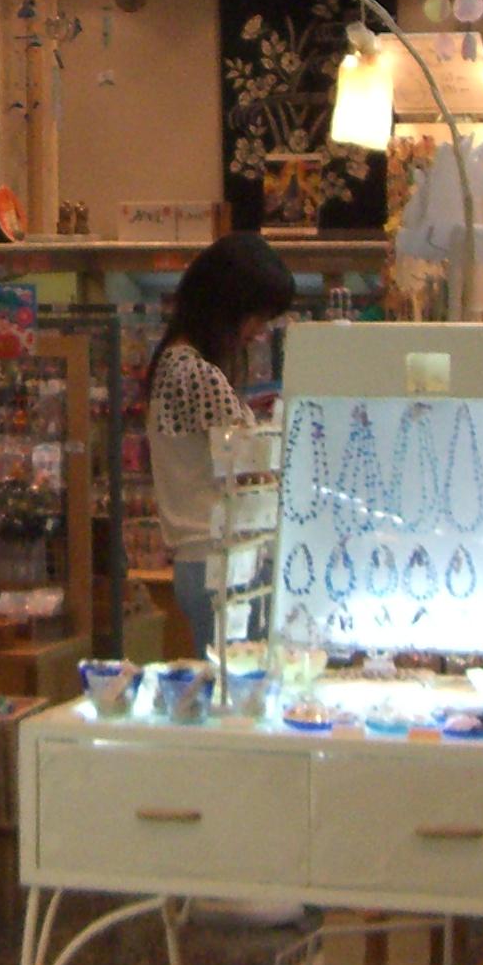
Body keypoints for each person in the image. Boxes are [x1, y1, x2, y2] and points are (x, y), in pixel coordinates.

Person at [144, 230, 297, 656]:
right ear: (228, 306)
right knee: (239, 684)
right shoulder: (198, 374)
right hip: (225, 562)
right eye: (257, 317)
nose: (259, 332)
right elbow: (252, 475)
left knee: (223, 679)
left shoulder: (172, 365)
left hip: (200, 562)